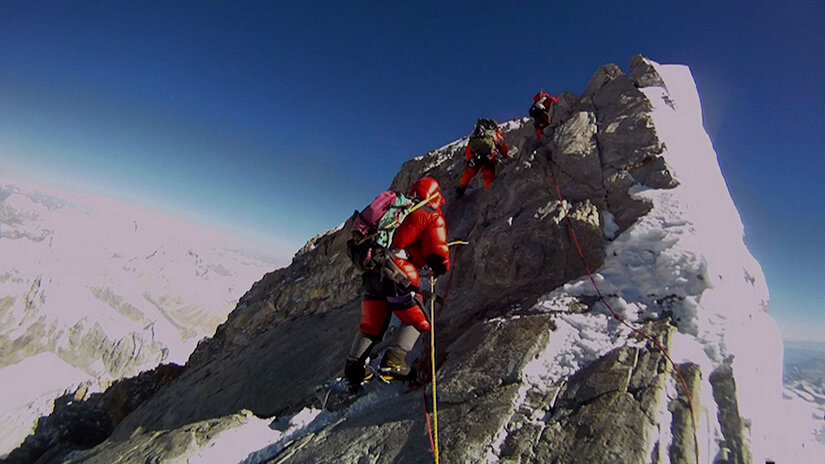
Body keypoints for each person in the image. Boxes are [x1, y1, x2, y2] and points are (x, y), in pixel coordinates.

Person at [344, 177, 450, 391]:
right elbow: (437, 253)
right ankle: (393, 363)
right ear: (435, 195)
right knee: (418, 321)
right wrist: (441, 268)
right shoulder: (431, 213)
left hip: (373, 273)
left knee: (371, 326)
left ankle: (354, 371)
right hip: (399, 274)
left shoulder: (399, 209)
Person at [456, 118, 509, 197]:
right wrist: (505, 156)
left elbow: (469, 148)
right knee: (488, 175)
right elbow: (502, 147)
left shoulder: (477, 134)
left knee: (468, 173)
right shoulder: (494, 134)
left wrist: (470, 159)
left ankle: (460, 189)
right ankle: (489, 193)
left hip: (475, 156)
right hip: (488, 157)